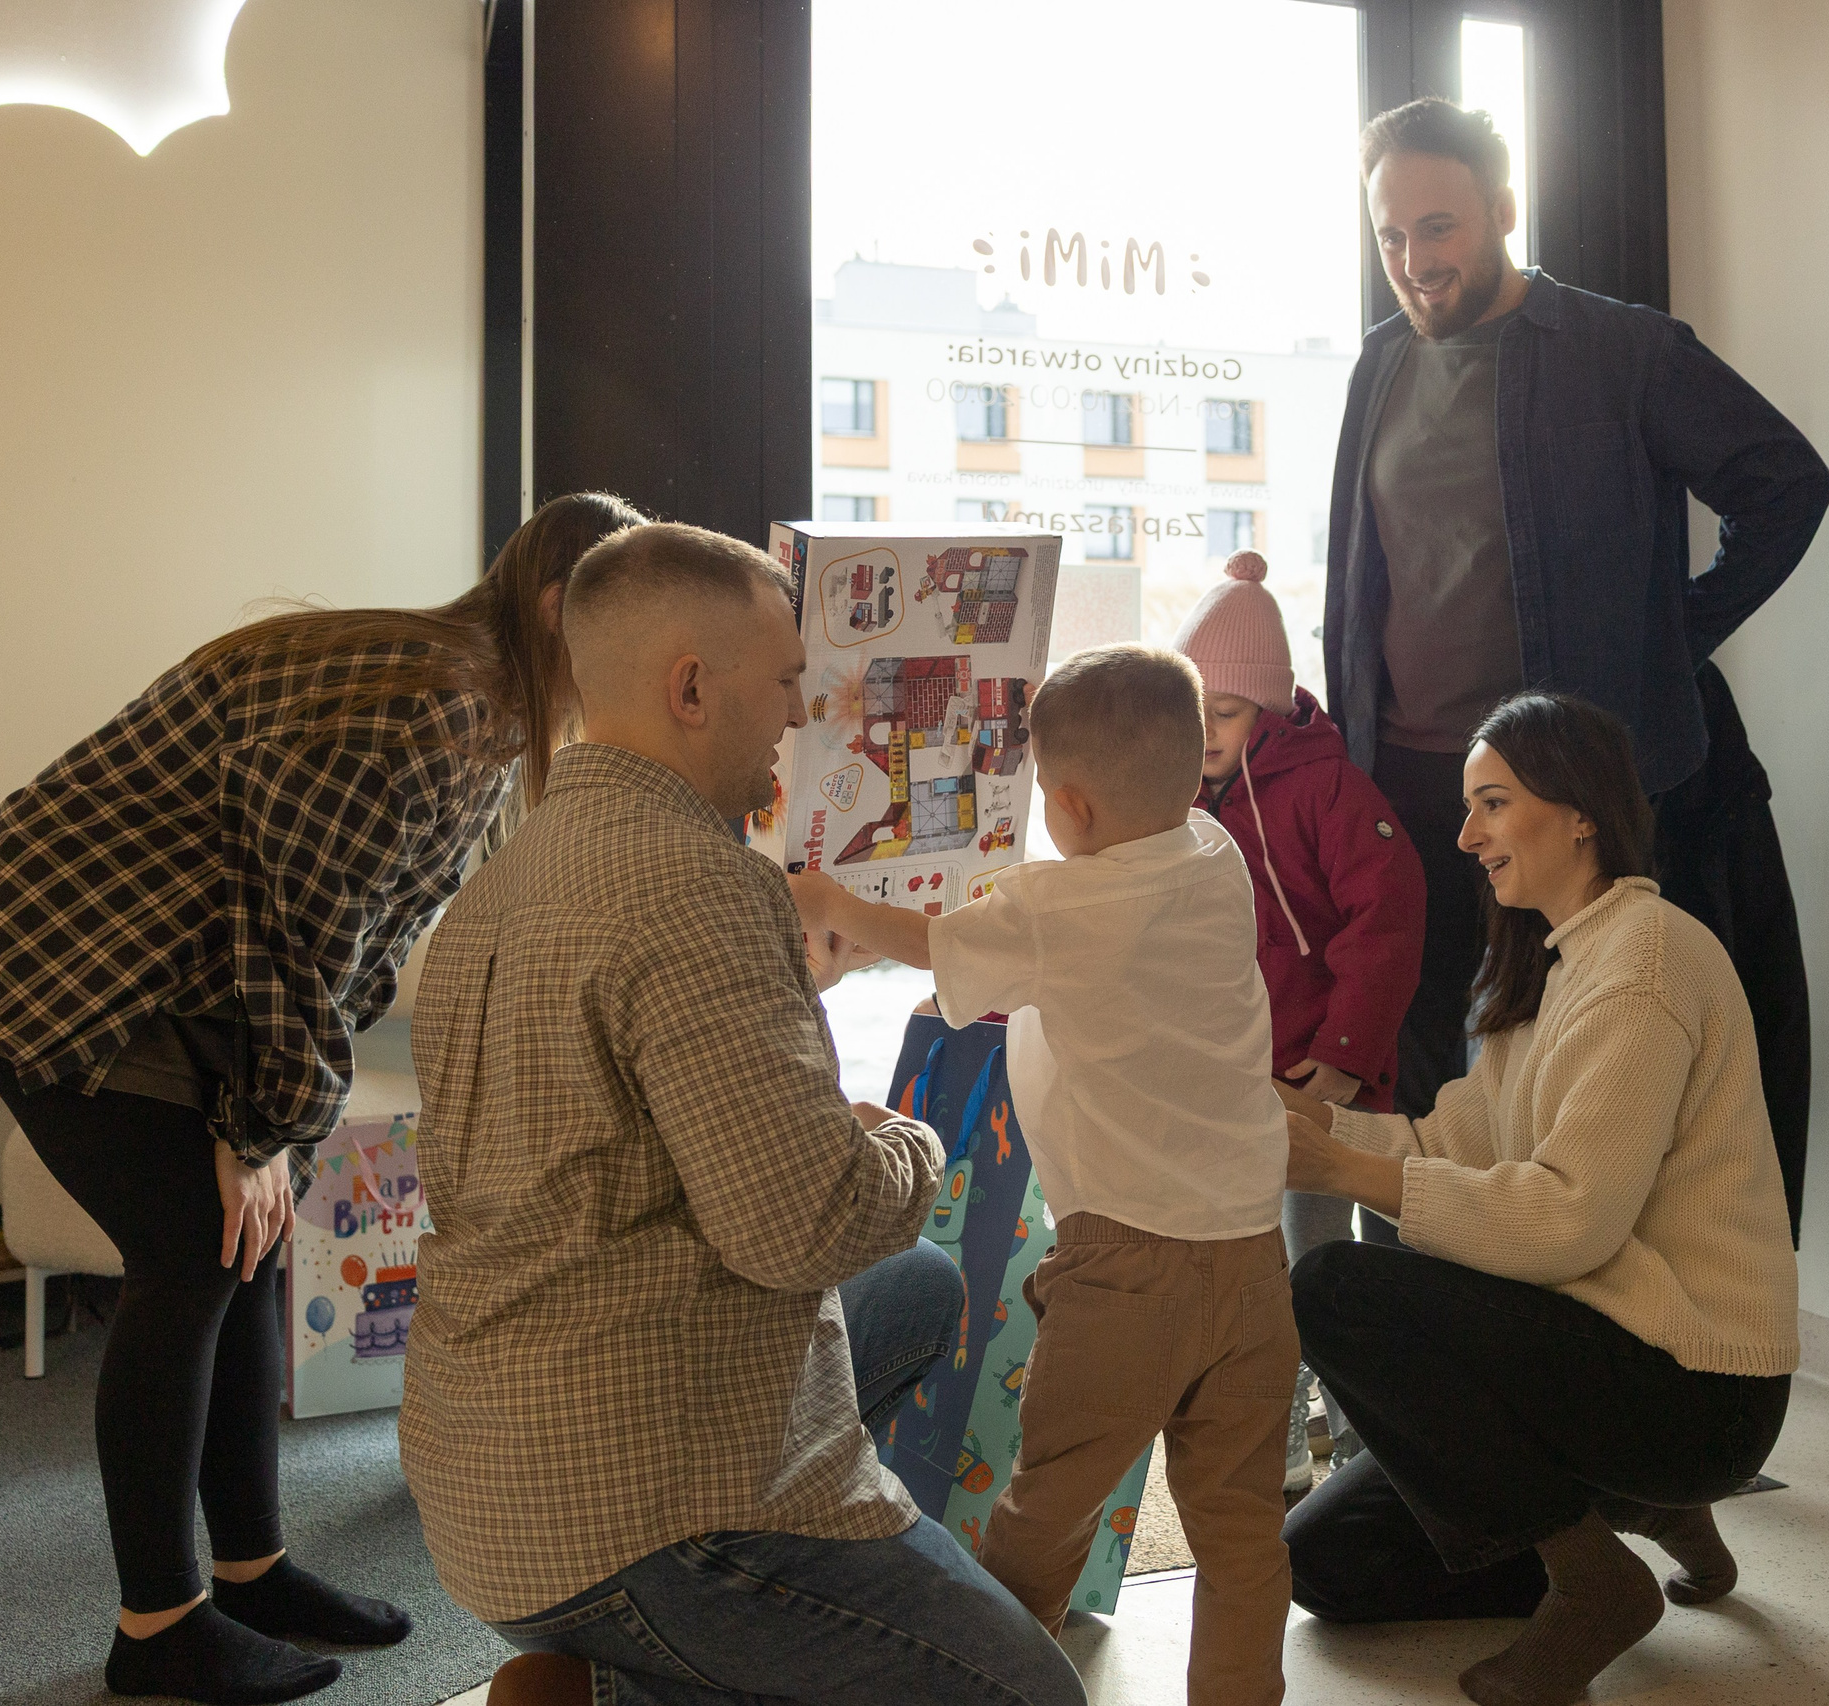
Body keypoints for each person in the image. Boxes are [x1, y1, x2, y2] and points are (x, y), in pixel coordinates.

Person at [0, 490, 644, 1703]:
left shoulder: (481, 707)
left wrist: (267, 1126)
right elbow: (301, 935)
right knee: (189, 1249)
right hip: (68, 959)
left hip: (159, 972)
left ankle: (251, 1566)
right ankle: (158, 1627)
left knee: (243, 1248)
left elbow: (364, 931)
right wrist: (258, 1127)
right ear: (559, 608)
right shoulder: (431, 708)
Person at [401, 522, 1084, 1706]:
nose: (797, 711)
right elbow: (800, 1226)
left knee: (915, 1288)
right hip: (634, 1506)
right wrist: (904, 1141)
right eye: (782, 681)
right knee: (1034, 1693)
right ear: (690, 687)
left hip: (479, 1467)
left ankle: (611, 1681)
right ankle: (642, 1665)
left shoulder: (504, 880)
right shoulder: (697, 882)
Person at [795, 643, 1300, 1706]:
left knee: (1045, 1506)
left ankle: (993, 1682)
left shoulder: (1055, 907)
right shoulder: (1215, 857)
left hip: (1126, 1268)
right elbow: (1074, 979)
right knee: (1243, 1526)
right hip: (1254, 1254)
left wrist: (829, 897)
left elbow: (931, 941)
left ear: (1064, 804)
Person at [1276, 692, 1798, 1706]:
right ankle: (1643, 1512)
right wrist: (1315, 1130)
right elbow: (1446, 1144)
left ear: (1580, 813)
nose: (1465, 834)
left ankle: (1593, 1577)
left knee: (1337, 1285)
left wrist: (1345, 1172)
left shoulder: (1644, 960)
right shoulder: (1547, 965)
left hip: (1697, 1384)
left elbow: (1568, 1219)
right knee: (1324, 1563)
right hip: (1607, 1356)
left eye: (1491, 803)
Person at [1322, 96, 1829, 1122]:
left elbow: (1785, 482)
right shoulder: (1378, 363)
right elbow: (1367, 571)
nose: (1414, 259)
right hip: (1410, 785)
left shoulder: (1620, 351)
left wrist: (1672, 632)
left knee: (1588, 1085)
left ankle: (1565, 1280)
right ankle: (1428, 1284)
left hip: (1555, 796)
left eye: (1439, 227)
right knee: (1421, 1080)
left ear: (1503, 209)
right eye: (1390, 234)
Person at [1170, 549, 1425, 1489]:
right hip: (1243, 1080)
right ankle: (1274, 1451)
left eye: (1226, 712)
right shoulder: (1186, 802)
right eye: (1192, 709)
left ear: (1271, 710)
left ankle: (1365, 1452)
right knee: (1257, 1274)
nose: (1205, 731)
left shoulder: (1326, 790)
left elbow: (1387, 924)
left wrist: (1345, 1058)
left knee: (1318, 1269)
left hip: (1324, 1082)